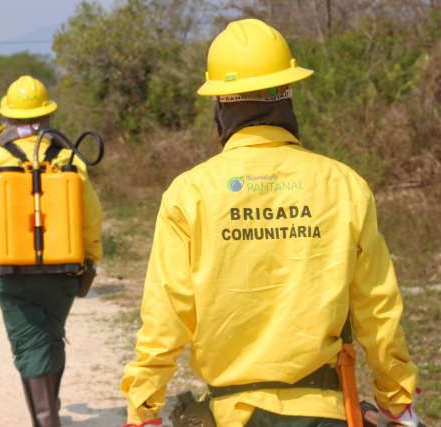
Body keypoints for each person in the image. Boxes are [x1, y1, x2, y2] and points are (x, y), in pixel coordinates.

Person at [120, 19, 420, 427]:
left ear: (220, 107)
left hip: (231, 416)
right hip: (325, 414)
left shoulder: (189, 193)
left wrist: (144, 407)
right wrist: (397, 398)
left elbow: (165, 316)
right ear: (287, 98)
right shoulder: (343, 185)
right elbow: (377, 309)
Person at [0, 75, 103, 427]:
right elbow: (91, 218)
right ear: (48, 116)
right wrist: (91, 257)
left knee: (28, 343)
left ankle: (46, 419)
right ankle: (48, 410)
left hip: (10, 273)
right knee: (50, 338)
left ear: (7, 118)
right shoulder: (69, 159)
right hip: (65, 270)